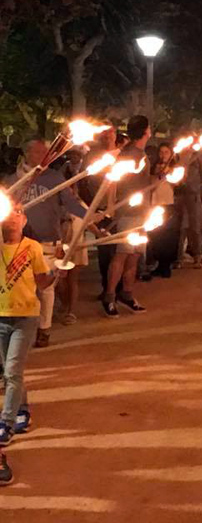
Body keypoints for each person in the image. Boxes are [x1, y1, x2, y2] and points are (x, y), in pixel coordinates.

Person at [6, 139, 87, 345]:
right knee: (20, 288)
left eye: (47, 153)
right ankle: (17, 332)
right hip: (19, 244)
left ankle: (44, 329)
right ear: (27, 153)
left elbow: (70, 203)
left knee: (46, 289)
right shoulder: (12, 180)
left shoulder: (55, 177)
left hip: (49, 241)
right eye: (39, 152)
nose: (44, 157)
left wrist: (91, 216)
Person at [0, 203, 66, 447]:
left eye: (17, 212)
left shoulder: (31, 247)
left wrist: (58, 270)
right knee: (10, 372)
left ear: (25, 220)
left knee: (11, 371)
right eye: (8, 212)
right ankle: (22, 410)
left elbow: (43, 283)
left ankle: (5, 423)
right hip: (0, 318)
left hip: (25, 317)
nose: (12, 217)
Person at [102, 115, 151, 318]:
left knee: (135, 255)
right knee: (122, 254)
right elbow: (119, 183)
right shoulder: (129, 154)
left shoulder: (141, 153)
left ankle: (127, 293)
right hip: (128, 212)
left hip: (142, 211)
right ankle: (109, 296)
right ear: (145, 131)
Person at [79, 125, 118, 298]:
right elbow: (82, 180)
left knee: (119, 250)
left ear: (115, 135)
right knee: (105, 250)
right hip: (99, 209)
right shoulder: (92, 157)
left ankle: (116, 287)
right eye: (105, 133)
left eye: (111, 133)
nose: (108, 136)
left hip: (119, 208)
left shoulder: (122, 155)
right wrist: (90, 206)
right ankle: (107, 287)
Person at [149, 143, 179, 277]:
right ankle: (158, 262)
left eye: (166, 152)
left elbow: (178, 183)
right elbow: (150, 184)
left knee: (168, 236)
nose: (163, 155)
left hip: (168, 203)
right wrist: (157, 173)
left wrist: (169, 173)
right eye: (161, 152)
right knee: (156, 235)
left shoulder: (175, 168)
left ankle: (166, 265)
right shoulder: (153, 168)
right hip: (154, 203)